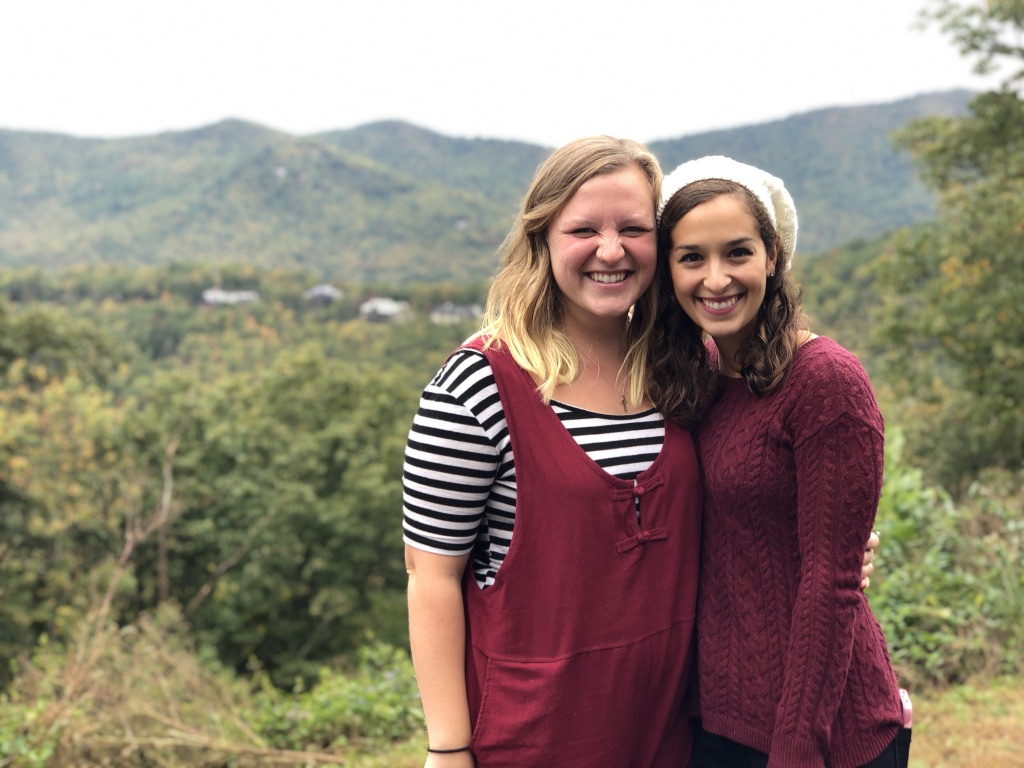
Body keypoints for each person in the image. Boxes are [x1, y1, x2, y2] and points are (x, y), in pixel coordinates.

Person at [403, 136, 702, 767]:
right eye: (583, 229)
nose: (611, 250)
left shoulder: (685, 367)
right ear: (542, 238)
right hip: (533, 740)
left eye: (634, 228)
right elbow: (431, 577)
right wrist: (448, 748)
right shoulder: (477, 386)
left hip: (670, 735)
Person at [650, 155, 910, 768]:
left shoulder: (825, 382)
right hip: (714, 722)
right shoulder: (701, 378)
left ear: (773, 254)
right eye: (692, 258)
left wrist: (796, 747)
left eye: (737, 252)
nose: (716, 279)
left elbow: (830, 582)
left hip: (821, 736)